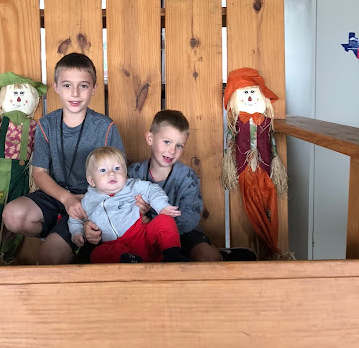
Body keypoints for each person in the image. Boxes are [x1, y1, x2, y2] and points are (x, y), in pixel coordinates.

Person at [85, 109, 257, 262]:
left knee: (206, 258)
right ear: (150, 138)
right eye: (166, 142)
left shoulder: (187, 177)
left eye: (179, 145)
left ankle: (222, 255)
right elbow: (109, 202)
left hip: (182, 233)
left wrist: (156, 221)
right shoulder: (132, 173)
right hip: (140, 235)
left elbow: (191, 216)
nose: (172, 150)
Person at [2, 53, 124, 264]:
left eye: (83, 86)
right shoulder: (46, 125)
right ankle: (58, 233)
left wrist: (86, 201)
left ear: (94, 88)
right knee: (12, 216)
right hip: (57, 196)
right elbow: (39, 173)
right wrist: (66, 199)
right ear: (56, 87)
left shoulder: (105, 127)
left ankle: (70, 241)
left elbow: (119, 177)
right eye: (67, 85)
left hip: (91, 202)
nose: (75, 93)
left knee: (49, 257)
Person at [69, 147, 191, 263]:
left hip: (143, 237)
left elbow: (152, 190)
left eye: (117, 168)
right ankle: (128, 261)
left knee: (164, 220)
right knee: (97, 253)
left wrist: (162, 206)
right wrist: (77, 233)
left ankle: (172, 254)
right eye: (103, 170)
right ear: (91, 181)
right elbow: (75, 218)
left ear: (125, 172)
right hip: (114, 245)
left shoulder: (132, 186)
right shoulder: (88, 200)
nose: (111, 173)